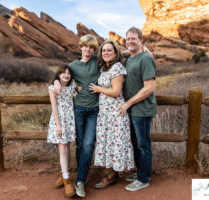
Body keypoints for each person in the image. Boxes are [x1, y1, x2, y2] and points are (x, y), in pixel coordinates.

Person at [54, 34, 100, 198]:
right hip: (78, 109)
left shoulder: (97, 61)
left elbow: (116, 55)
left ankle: (80, 181)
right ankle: (67, 173)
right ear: (81, 47)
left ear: (94, 49)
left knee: (88, 145)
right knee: (80, 145)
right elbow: (62, 76)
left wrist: (144, 49)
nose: (88, 49)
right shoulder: (73, 66)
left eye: (91, 47)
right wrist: (56, 83)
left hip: (95, 109)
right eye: (85, 46)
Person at [89, 40, 134, 189]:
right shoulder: (104, 69)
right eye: (103, 50)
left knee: (113, 144)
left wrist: (99, 89)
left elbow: (116, 92)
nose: (106, 53)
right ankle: (112, 175)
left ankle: (109, 176)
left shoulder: (117, 68)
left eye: (109, 50)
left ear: (115, 53)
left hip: (115, 113)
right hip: (105, 113)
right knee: (107, 143)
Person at [119, 27, 157, 192]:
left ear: (141, 40)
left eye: (134, 38)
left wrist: (128, 103)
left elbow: (149, 88)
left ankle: (143, 179)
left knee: (142, 145)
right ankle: (141, 172)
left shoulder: (145, 58)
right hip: (133, 111)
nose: (130, 41)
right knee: (135, 143)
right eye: (128, 39)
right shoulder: (129, 59)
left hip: (142, 109)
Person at [47, 65, 77, 197]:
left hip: (70, 119)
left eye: (68, 73)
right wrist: (58, 125)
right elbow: (54, 107)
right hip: (59, 120)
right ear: (58, 74)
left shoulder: (72, 86)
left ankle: (63, 173)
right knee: (62, 148)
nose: (66, 75)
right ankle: (66, 180)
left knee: (68, 147)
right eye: (63, 73)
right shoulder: (53, 88)